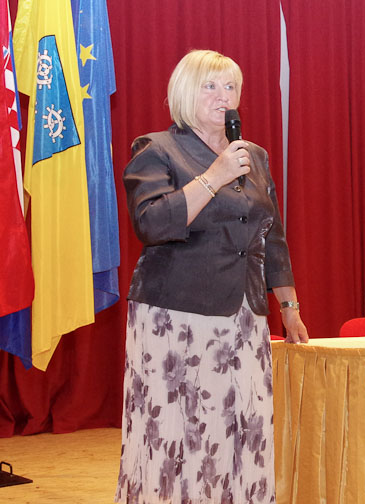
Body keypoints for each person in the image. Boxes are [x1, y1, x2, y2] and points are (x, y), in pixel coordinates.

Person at [116, 49, 307, 504]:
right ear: (185, 92)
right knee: (180, 431)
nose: (224, 96)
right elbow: (151, 224)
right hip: (176, 313)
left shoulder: (253, 155)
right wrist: (213, 177)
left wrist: (289, 306)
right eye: (211, 86)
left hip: (244, 315)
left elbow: (271, 235)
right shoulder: (156, 149)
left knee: (245, 423)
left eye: (231, 87)